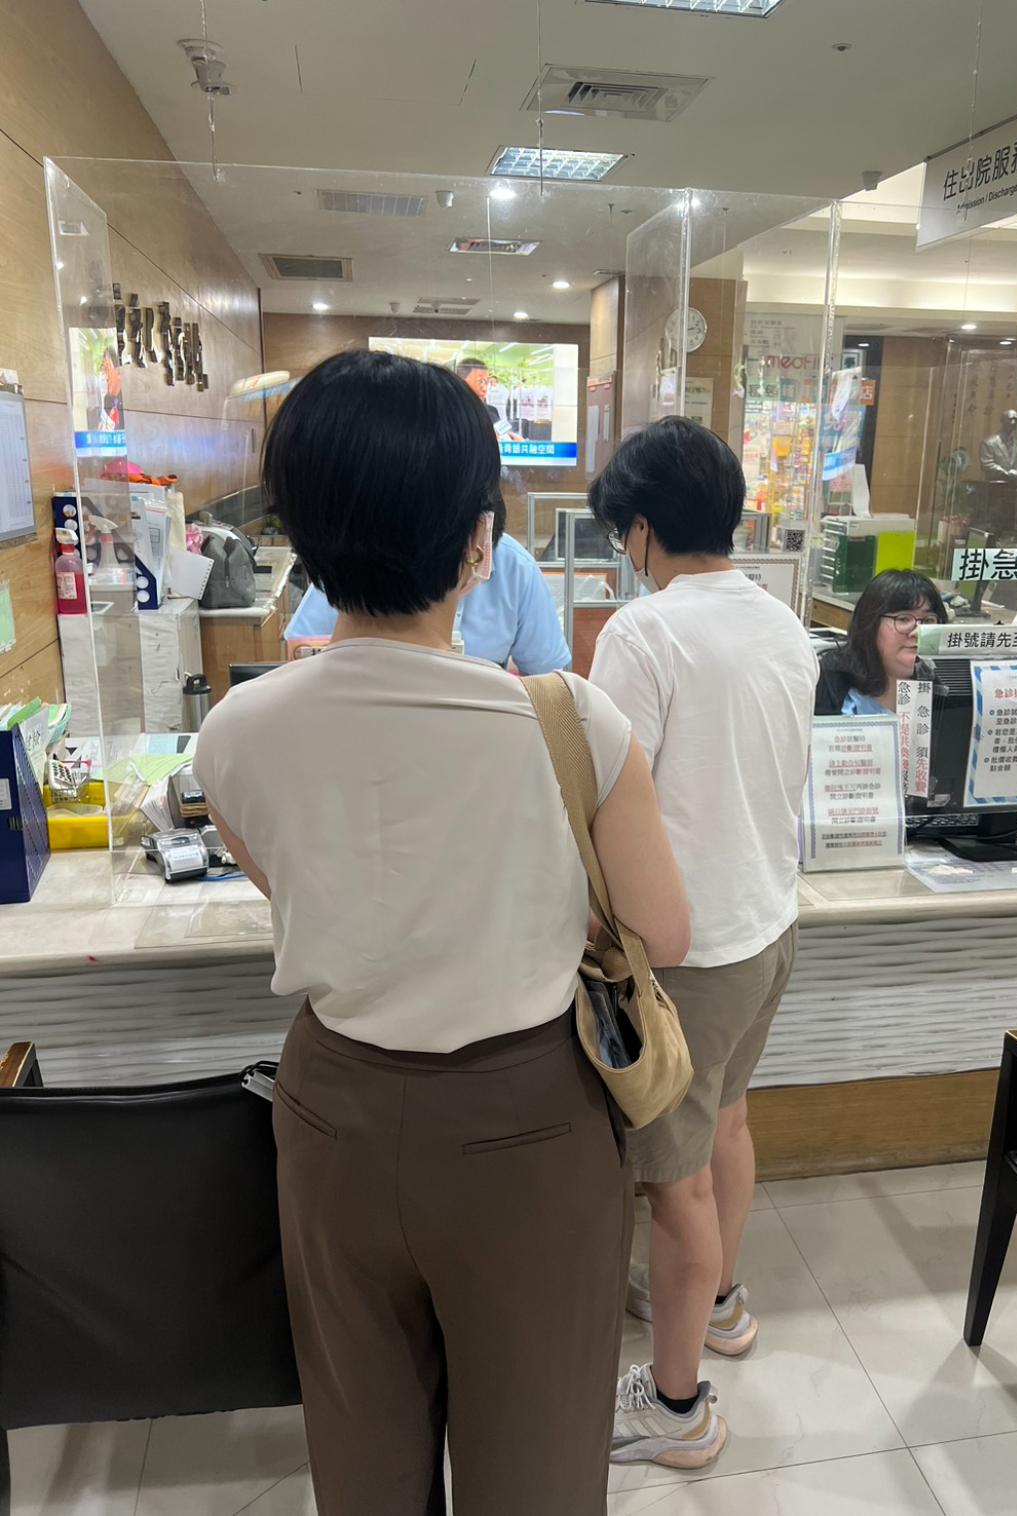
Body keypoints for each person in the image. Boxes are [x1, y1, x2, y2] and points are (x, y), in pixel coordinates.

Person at [194, 351, 690, 1516]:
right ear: (480, 540)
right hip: (531, 1123)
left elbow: (291, 885)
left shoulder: (235, 732)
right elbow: (661, 929)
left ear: (299, 537)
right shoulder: (573, 722)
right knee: (537, 1467)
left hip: (333, 1113)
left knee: (362, 1454)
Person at [587, 416, 817, 1469]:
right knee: (726, 1120)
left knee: (672, 1183)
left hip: (688, 955)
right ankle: (721, 1303)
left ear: (640, 530)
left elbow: (607, 797)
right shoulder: (782, 621)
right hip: (766, 927)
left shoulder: (644, 632)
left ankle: (677, 1407)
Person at [285, 491, 572, 674]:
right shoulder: (360, 558)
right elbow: (300, 653)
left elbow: (549, 676)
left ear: (480, 535)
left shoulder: (516, 567)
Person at [815, 570, 948, 716]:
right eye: (903, 619)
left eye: (928, 620)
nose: (917, 632)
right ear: (870, 624)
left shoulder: (938, 687)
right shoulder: (829, 682)